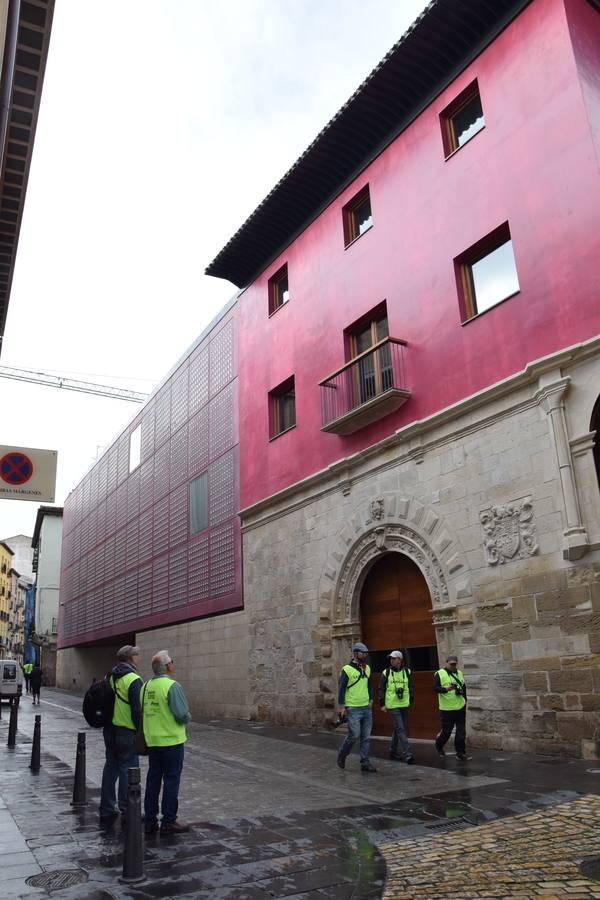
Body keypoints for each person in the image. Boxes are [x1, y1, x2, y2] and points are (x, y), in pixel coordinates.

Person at [143, 651, 192, 834]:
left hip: (153, 741)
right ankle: (169, 820)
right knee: (171, 780)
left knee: (153, 780)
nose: (173, 664)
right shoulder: (172, 686)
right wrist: (188, 717)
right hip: (171, 741)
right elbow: (182, 714)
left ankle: (150, 820)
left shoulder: (146, 686)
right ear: (167, 667)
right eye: (172, 661)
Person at [99, 645, 143, 823]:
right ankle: (128, 809)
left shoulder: (109, 676)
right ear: (131, 658)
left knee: (111, 767)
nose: (138, 657)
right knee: (128, 770)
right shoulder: (133, 679)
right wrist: (141, 731)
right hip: (126, 731)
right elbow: (137, 710)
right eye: (137, 655)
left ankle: (107, 808)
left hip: (109, 730)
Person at [336, 641, 377, 773]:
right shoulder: (346, 670)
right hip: (352, 708)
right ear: (355, 654)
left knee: (365, 737)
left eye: (366, 653)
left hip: (366, 707)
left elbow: (370, 685)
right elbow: (341, 689)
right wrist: (342, 706)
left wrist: (371, 699)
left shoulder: (368, 668)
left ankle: (365, 762)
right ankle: (342, 754)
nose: (365, 655)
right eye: (362, 653)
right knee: (354, 735)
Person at [379, 650, 414, 763]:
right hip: (393, 705)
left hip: (404, 704)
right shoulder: (386, 672)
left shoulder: (407, 672)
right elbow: (382, 688)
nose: (391, 660)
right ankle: (408, 754)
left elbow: (411, 686)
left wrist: (411, 699)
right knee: (401, 729)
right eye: (391, 658)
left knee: (398, 729)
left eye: (394, 658)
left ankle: (392, 750)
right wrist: (382, 704)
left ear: (400, 660)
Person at [434, 654, 470, 761]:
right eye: (451, 664)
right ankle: (439, 745)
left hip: (460, 707)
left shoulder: (459, 673)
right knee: (446, 732)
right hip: (447, 709)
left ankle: (460, 753)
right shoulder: (439, 674)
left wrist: (465, 701)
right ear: (447, 662)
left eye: (455, 664)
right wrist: (446, 689)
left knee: (461, 732)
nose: (453, 666)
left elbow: (463, 688)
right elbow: (435, 689)